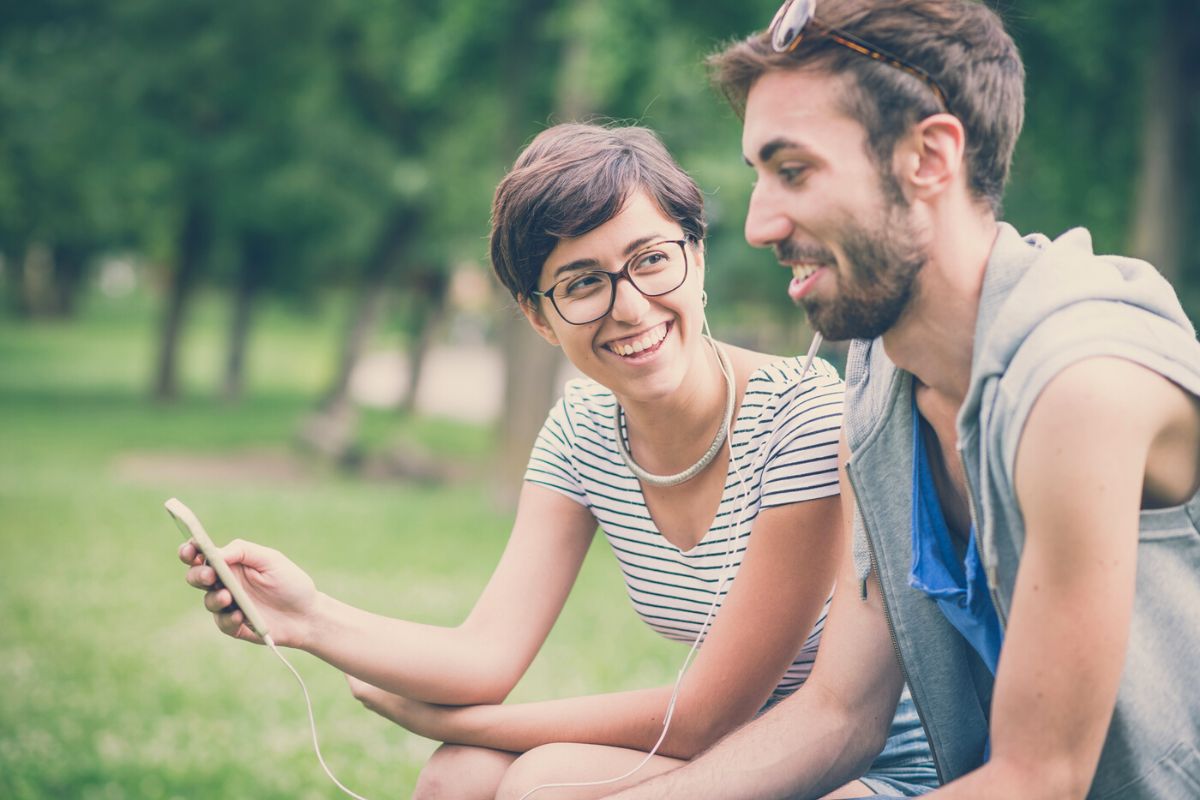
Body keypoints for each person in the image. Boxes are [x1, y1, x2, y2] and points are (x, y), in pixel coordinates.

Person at [179, 123, 939, 799]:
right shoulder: (582, 429)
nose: (630, 306)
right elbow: (484, 654)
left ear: (698, 258)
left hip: (864, 766)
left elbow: (707, 715)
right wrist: (310, 618)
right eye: (582, 284)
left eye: (651, 260)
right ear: (539, 318)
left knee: (538, 783)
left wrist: (469, 723)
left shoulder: (800, 414)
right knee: (457, 777)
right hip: (733, 754)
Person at [602, 2, 1200, 799]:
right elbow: (839, 714)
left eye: (794, 170)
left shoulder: (1075, 386)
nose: (757, 224)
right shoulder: (881, 387)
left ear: (928, 155)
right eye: (757, 176)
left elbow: (1037, 780)